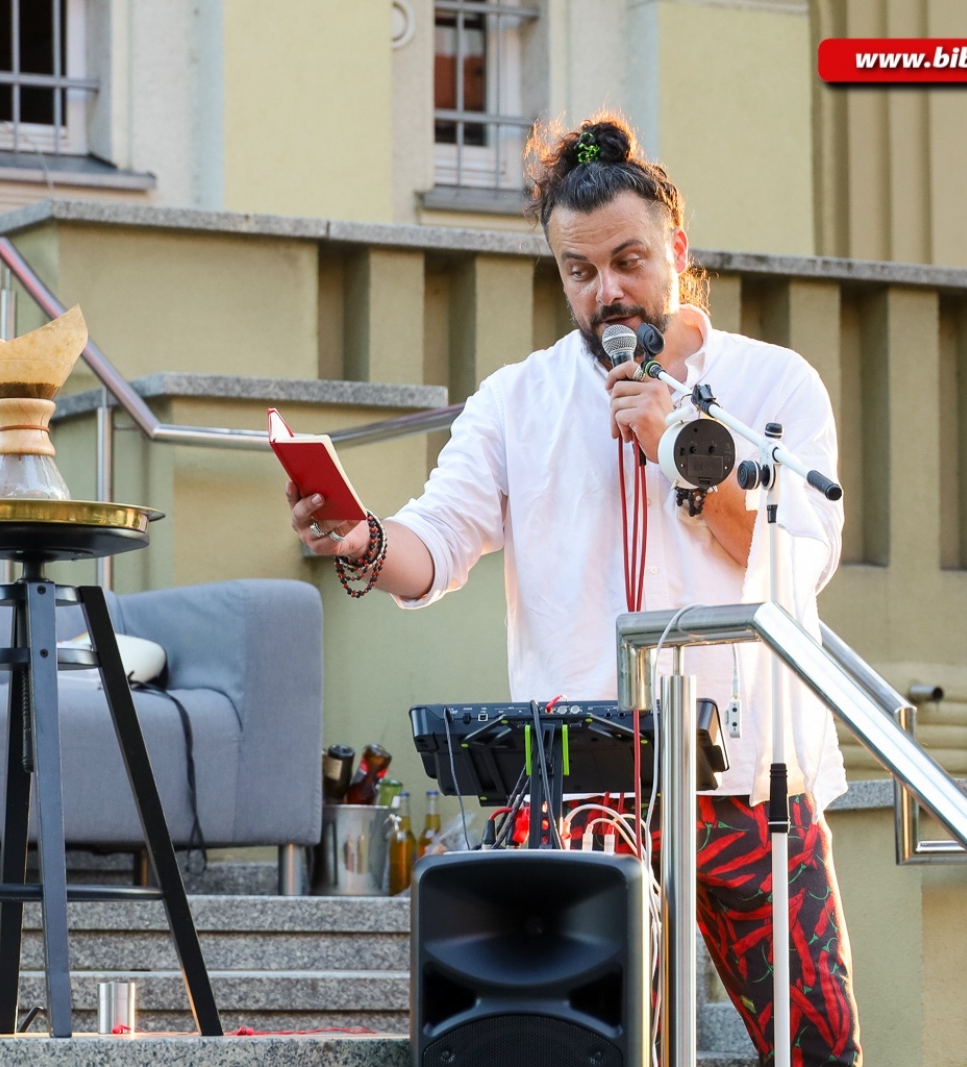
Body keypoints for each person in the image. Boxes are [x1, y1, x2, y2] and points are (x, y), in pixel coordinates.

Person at [285, 113, 860, 1065]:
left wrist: (679, 450)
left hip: (751, 777)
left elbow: (804, 555)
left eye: (629, 261)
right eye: (579, 271)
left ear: (677, 250)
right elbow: (439, 541)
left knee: (819, 1045)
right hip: (581, 781)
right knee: (585, 1044)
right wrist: (364, 539)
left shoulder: (774, 384)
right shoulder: (518, 398)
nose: (607, 292)